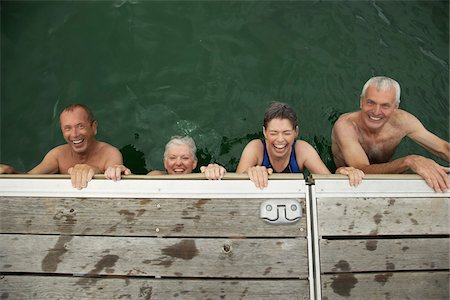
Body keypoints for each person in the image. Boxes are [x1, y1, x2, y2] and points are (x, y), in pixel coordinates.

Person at [332, 76, 450, 192]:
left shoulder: (403, 121)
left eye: (385, 105)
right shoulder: (345, 126)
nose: (376, 112)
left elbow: (443, 148)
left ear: (396, 107)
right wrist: (409, 161)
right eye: (371, 102)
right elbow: (362, 171)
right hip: (351, 179)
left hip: (386, 169)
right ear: (361, 102)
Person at [236, 102, 364, 189]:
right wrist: (249, 173)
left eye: (286, 133)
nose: (280, 140)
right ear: (264, 132)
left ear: (296, 132)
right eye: (273, 133)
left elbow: (328, 181)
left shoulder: (302, 150)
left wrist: (341, 173)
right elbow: (234, 184)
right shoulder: (255, 148)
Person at [0, 103, 126, 189]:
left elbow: (115, 175)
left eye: (80, 126)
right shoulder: (57, 155)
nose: (74, 134)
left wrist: (96, 170)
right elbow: (29, 179)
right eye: (67, 129)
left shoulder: (110, 153)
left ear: (93, 127)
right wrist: (11, 172)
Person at [105, 135, 226, 180]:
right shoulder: (155, 176)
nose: (178, 163)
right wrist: (118, 171)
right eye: (172, 158)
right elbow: (134, 186)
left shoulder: (204, 177)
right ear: (165, 163)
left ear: (194, 163)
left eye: (185, 158)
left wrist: (216, 171)